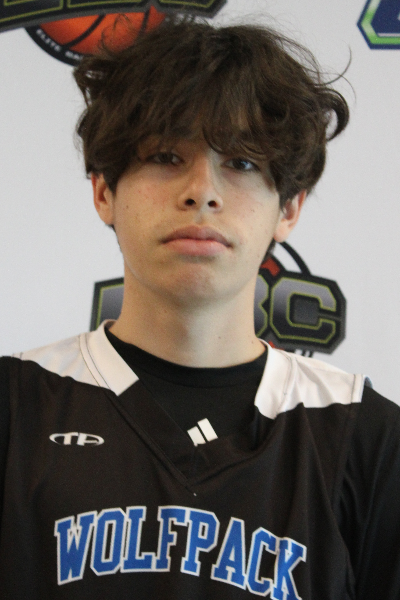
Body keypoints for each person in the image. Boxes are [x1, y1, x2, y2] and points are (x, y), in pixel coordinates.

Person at [1, 15, 399, 600]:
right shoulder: (15, 407)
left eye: (241, 162)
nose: (202, 191)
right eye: (166, 156)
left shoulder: (366, 437)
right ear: (104, 191)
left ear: (288, 208)